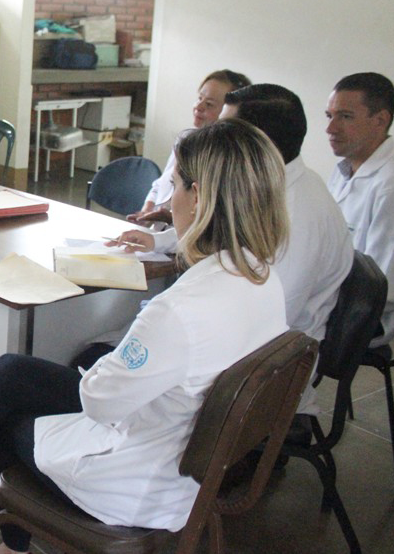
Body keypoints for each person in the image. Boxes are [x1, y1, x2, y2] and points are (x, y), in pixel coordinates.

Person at [0, 119, 289, 554]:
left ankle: (2, 545)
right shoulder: (262, 279)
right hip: (192, 466)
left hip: (137, 483)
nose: (171, 201)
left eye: (178, 187)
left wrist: (111, 361)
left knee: (6, 411)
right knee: (13, 373)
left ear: (200, 198)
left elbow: (99, 402)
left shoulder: (178, 312)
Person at [113, 85, 353, 414]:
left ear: (255, 142)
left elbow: (266, 319)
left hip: (253, 380)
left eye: (226, 129)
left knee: (104, 367)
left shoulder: (297, 215)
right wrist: (162, 240)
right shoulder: (270, 187)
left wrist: (167, 329)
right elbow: (223, 228)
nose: (214, 135)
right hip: (231, 353)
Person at [325, 72, 394, 346]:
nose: (330, 128)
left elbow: (388, 290)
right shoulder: (344, 169)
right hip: (332, 296)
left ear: (380, 120)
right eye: (329, 116)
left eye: (345, 116)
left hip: (364, 318)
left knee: (274, 330)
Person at [128, 69, 250, 225]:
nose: (198, 106)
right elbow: (163, 183)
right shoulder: (185, 139)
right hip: (159, 234)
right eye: (199, 98)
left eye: (209, 104)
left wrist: (171, 218)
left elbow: (214, 221)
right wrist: (147, 210)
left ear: (230, 112)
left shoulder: (228, 159)